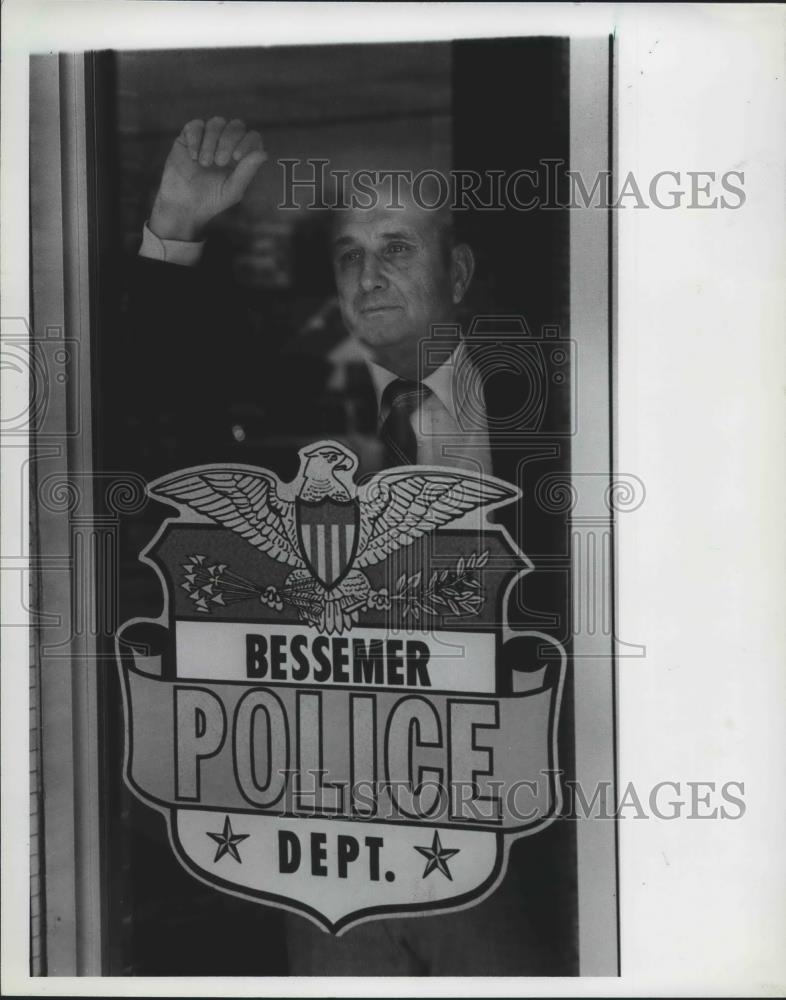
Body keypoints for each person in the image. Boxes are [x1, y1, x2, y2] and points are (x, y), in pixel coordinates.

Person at [126, 116, 576, 975]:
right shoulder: (294, 414)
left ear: (461, 271)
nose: (367, 277)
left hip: (513, 842)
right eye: (347, 255)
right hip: (340, 845)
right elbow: (163, 413)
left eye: (397, 248)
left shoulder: (556, 406)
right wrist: (176, 227)